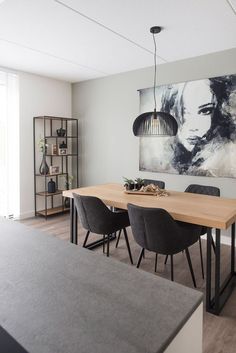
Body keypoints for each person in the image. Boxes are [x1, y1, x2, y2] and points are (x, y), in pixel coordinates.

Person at [160, 75, 236, 176]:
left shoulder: (224, 158)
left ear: (217, 113)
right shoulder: (169, 157)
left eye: (205, 111)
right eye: (182, 112)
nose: (193, 127)